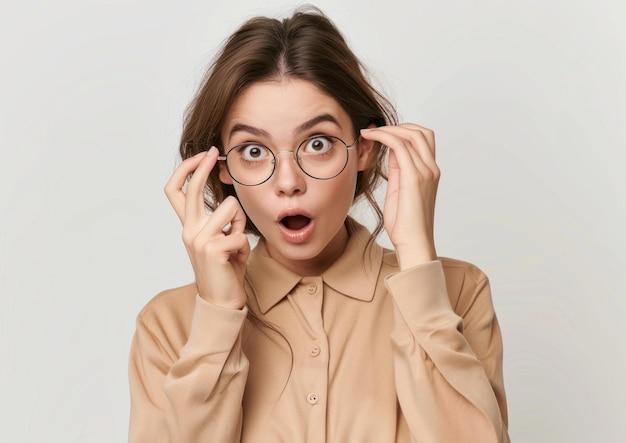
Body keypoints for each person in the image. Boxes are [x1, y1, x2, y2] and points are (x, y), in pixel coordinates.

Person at [128, 6, 509, 442]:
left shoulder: (458, 292)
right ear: (221, 167)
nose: (288, 183)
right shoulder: (168, 324)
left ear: (365, 149)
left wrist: (418, 264)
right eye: (253, 151)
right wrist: (218, 319)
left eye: (318, 143)